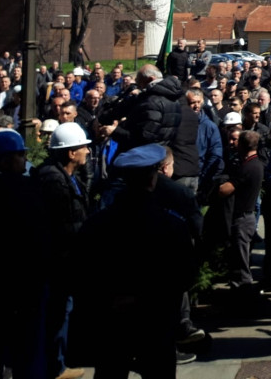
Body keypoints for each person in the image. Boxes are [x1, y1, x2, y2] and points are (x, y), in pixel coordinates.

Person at [75, 144, 196, 379]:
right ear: (153, 179)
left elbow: (82, 273)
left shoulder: (97, 225)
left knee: (111, 370)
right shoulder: (171, 225)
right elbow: (186, 275)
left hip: (113, 320)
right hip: (156, 319)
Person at [0, 130, 51, 379]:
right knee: (26, 354)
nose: (23, 160)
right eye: (20, 155)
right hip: (23, 287)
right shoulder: (25, 190)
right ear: (7, 159)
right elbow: (39, 239)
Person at [36, 123, 91, 379]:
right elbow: (61, 227)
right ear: (70, 153)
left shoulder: (65, 176)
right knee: (57, 312)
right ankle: (54, 368)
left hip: (64, 261)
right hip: (58, 263)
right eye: (83, 147)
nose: (88, 152)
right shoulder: (54, 180)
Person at [218, 130, 265, 300]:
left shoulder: (248, 167)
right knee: (239, 256)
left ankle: (244, 295)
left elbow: (225, 190)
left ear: (243, 145)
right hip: (246, 216)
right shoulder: (256, 164)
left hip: (242, 218)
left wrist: (218, 184)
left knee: (241, 258)